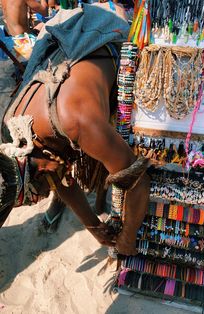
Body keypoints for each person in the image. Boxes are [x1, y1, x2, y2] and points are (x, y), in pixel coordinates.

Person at [0, 2, 150, 256]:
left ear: (41, 168)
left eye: (42, 192)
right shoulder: (15, 129)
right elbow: (58, 177)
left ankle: (101, 195)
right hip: (65, 42)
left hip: (103, 28)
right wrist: (92, 225)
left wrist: (128, 237)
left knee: (107, 159)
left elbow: (138, 181)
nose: (51, 189)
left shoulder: (79, 123)